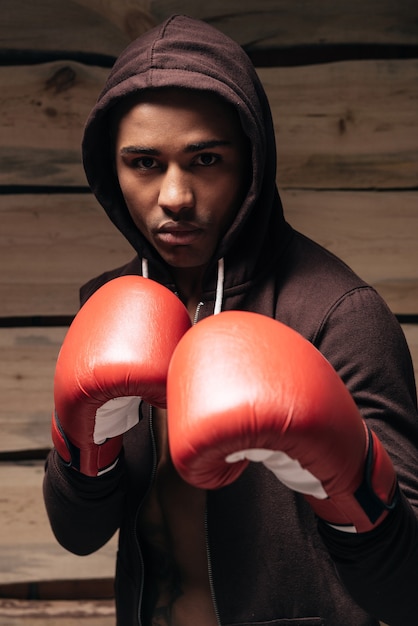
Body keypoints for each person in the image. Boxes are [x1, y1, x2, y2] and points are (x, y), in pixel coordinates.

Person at [43, 14, 418, 626]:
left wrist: (349, 488)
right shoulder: (110, 306)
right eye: (143, 163)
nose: (174, 196)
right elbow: (78, 533)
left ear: (251, 162)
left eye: (205, 159)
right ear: (110, 171)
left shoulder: (339, 315)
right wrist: (87, 447)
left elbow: (407, 592)